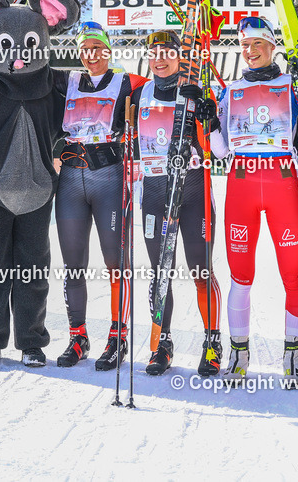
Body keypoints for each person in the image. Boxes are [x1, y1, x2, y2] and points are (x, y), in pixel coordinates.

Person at [207, 16, 298, 388]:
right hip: (241, 185)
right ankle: (239, 354)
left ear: (271, 46)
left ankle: (293, 354)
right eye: (244, 45)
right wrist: (211, 123)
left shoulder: (291, 85)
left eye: (257, 44)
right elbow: (220, 152)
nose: (250, 51)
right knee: (241, 276)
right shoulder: (230, 91)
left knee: (292, 275)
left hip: (282, 184)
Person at [130, 29, 222, 376]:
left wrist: (209, 118)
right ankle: (162, 344)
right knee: (160, 272)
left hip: (193, 190)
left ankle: (212, 343)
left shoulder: (196, 92)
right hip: (154, 193)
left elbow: (219, 149)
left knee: (201, 271)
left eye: (168, 52)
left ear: (179, 57)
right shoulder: (138, 93)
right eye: (155, 53)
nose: (161, 59)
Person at [54, 22, 146, 370]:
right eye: (85, 49)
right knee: (73, 263)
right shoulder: (66, 82)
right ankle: (77, 337)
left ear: (108, 49)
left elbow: (166, 84)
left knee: (115, 263)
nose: (91, 54)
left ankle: (117, 337)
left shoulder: (127, 82)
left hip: (109, 177)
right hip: (71, 180)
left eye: (97, 47)